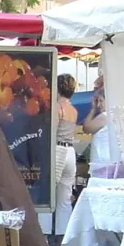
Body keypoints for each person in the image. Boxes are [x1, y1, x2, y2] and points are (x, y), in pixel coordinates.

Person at [53, 75, 80, 235]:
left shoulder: (57, 108)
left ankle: (47, 234)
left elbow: (53, 132)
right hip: (70, 151)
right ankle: (64, 235)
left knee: (49, 196)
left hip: (58, 149)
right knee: (65, 196)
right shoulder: (73, 110)